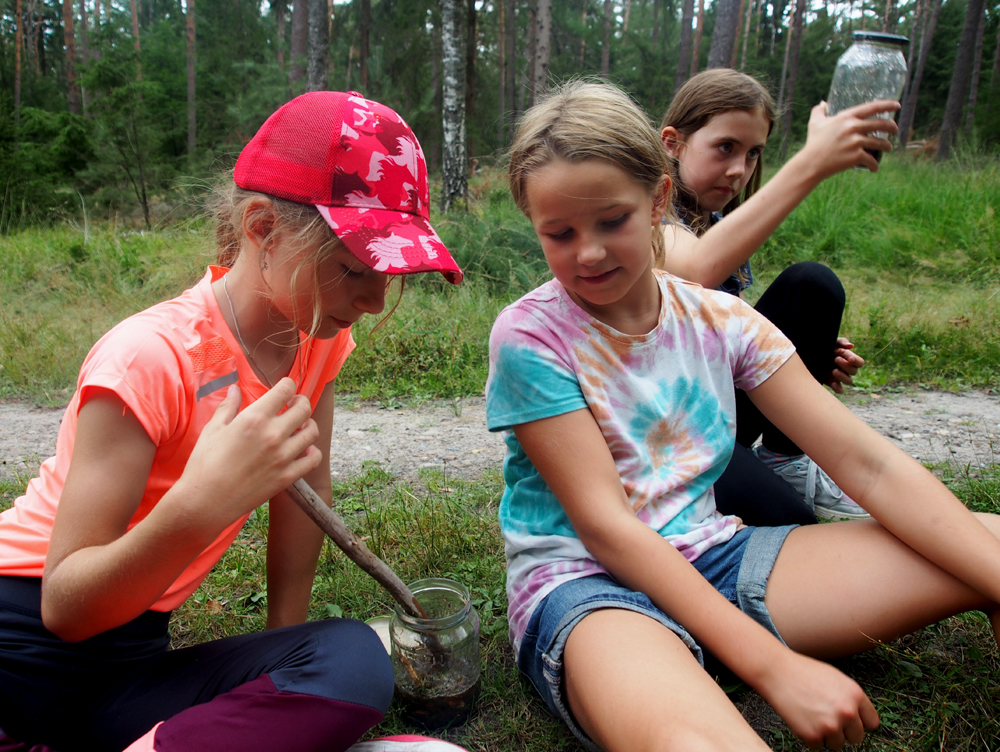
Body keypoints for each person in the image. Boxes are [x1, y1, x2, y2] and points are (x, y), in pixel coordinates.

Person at [486, 80, 1000, 752]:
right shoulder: (530, 337)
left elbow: (866, 464)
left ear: (658, 201)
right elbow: (609, 530)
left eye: (611, 221)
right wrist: (774, 666)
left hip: (718, 556)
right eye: (559, 232)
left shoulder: (723, 320)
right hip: (588, 589)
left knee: (985, 543)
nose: (587, 251)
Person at [0, 91, 469, 752]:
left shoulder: (317, 340)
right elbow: (66, 607)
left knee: (353, 660)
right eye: (355, 270)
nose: (372, 299)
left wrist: (287, 654)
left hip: (127, 666)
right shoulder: (148, 358)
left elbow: (305, 501)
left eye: (389, 275)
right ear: (262, 227)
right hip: (22, 641)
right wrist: (201, 506)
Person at [658, 68, 901, 525]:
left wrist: (790, 353)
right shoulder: (644, 206)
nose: (739, 170)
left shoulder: (711, 217)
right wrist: (811, 163)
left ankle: (783, 458)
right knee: (794, 526)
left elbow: (716, 321)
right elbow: (695, 270)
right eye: (725, 147)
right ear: (672, 142)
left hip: (714, 404)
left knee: (811, 286)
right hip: (666, 430)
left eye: (753, 154)